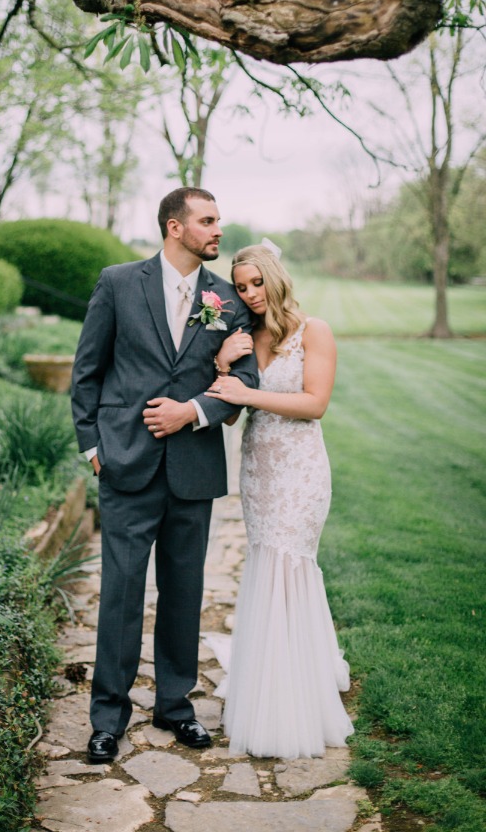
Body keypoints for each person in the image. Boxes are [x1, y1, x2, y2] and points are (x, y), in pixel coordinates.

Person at [71, 187, 258, 764]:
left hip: (193, 469)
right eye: (207, 220)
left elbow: (242, 382)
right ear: (175, 227)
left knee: (184, 593)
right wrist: (92, 448)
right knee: (121, 595)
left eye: (219, 219)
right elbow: (87, 371)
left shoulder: (228, 301)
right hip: (125, 463)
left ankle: (176, 708)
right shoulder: (118, 282)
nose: (217, 229)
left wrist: (193, 411)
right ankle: (108, 718)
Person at [204, 241, 354, 759]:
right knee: (267, 563)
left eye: (255, 283)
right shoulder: (244, 337)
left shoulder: (315, 332)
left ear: (274, 277)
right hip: (259, 470)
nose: (248, 293)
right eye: (240, 286)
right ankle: (266, 677)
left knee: (291, 564)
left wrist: (247, 394)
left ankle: (296, 690)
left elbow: (315, 405)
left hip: (300, 470)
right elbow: (228, 414)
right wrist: (224, 370)